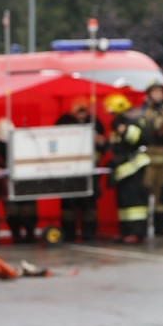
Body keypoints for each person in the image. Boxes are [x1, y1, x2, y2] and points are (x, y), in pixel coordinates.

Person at [56, 99, 107, 242]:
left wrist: (96, 156)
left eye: (84, 110)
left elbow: (102, 144)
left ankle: (89, 234)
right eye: (79, 111)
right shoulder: (64, 121)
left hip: (88, 170)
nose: (81, 114)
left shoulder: (94, 122)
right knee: (68, 206)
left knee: (89, 205)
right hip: (68, 170)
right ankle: (68, 235)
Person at [104, 93, 149, 244]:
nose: (111, 115)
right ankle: (125, 231)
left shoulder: (132, 121)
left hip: (134, 168)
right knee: (123, 202)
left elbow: (139, 138)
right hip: (123, 170)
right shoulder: (116, 126)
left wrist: (125, 130)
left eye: (112, 112)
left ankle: (138, 233)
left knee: (135, 203)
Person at [138, 79, 163, 238]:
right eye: (155, 92)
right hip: (149, 159)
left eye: (160, 92)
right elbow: (153, 129)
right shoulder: (144, 111)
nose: (158, 95)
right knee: (146, 193)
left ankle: (161, 226)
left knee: (162, 194)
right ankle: (142, 227)